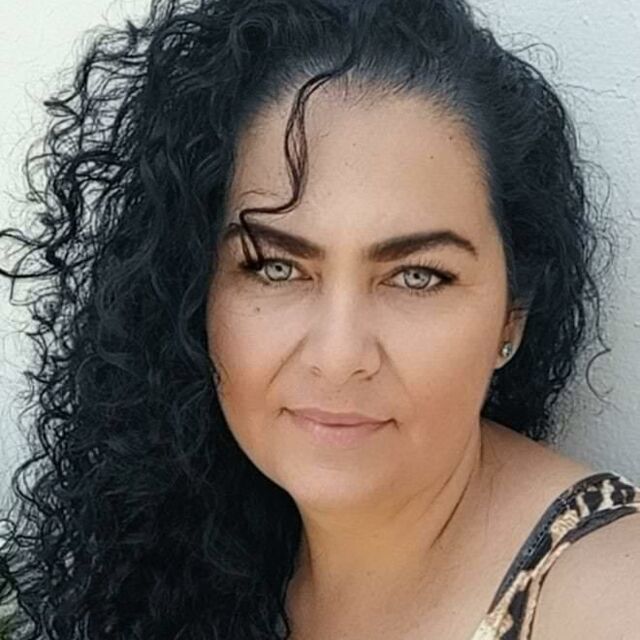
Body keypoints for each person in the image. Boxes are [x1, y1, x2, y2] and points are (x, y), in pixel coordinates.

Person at [0, 0, 638, 638]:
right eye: (276, 267)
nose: (338, 356)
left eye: (417, 276)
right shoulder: (197, 548)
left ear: (512, 315)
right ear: (192, 290)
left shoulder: (608, 601)